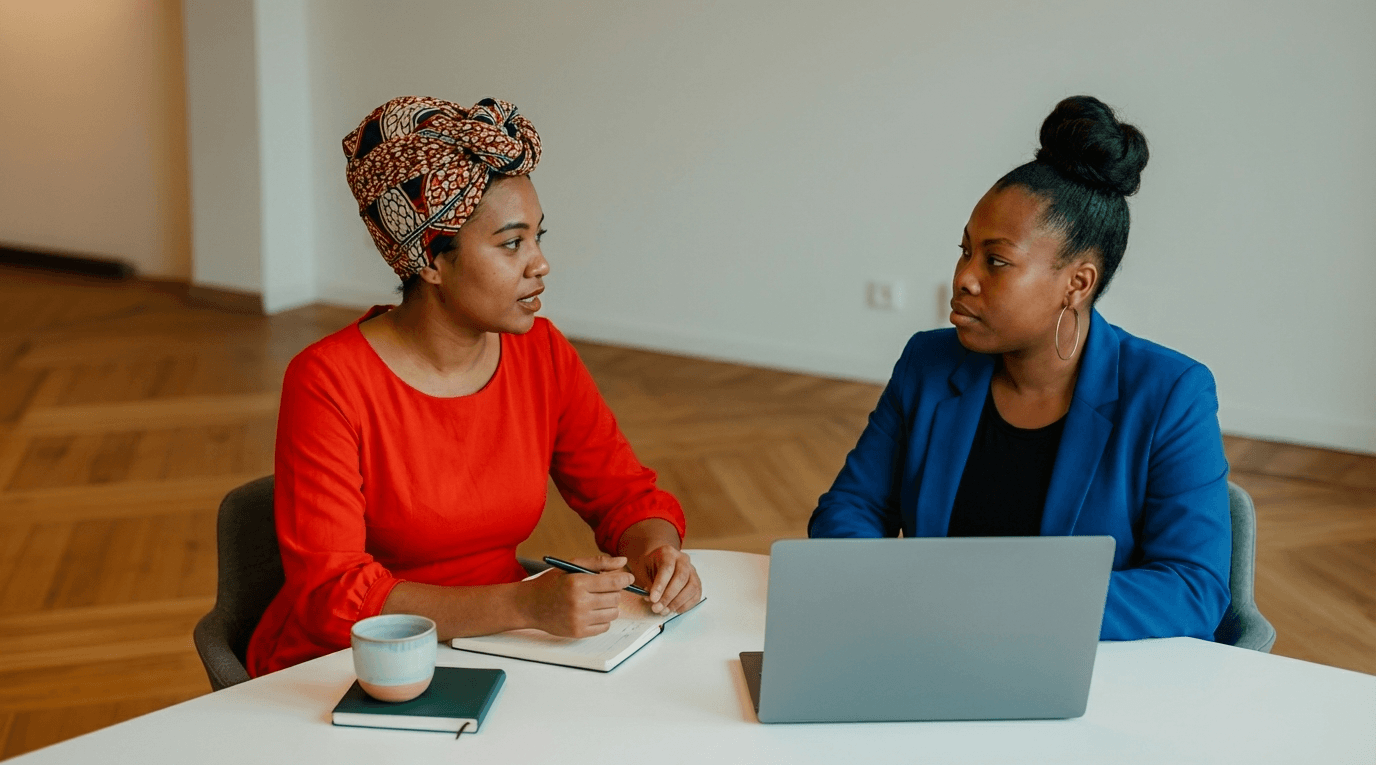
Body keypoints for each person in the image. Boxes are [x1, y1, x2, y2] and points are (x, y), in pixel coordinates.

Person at [248, 96, 701, 676]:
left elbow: (625, 496)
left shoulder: (539, 350)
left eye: (539, 236)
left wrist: (657, 552)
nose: (540, 264)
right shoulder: (328, 380)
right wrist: (522, 604)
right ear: (431, 260)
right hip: (359, 664)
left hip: (501, 645)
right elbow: (333, 595)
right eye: (511, 243)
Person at [808, 96, 1231, 641]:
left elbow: (1192, 589)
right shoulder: (928, 363)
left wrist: (1000, 607)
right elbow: (849, 510)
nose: (964, 277)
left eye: (996, 260)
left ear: (1077, 283)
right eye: (965, 251)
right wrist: (902, 597)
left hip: (1080, 684)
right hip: (925, 649)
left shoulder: (1170, 393)